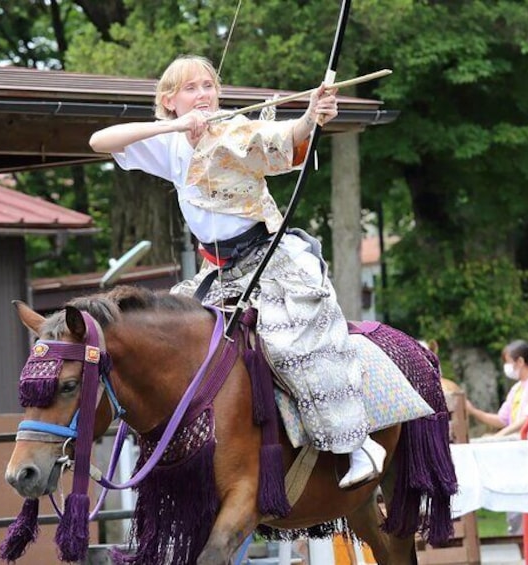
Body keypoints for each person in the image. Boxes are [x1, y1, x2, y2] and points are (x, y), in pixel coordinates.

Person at [89, 54, 384, 489]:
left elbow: (287, 136)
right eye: (191, 89)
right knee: (172, 345)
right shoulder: (168, 141)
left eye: (209, 86)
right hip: (216, 270)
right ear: (169, 100)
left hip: (268, 258)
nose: (204, 95)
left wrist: (310, 117)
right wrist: (172, 127)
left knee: (293, 341)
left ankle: (356, 443)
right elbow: (101, 140)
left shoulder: (235, 129)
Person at [466, 339, 528, 535]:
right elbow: (503, 420)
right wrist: (473, 411)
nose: (507, 367)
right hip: (519, 453)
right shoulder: (517, 389)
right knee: (514, 511)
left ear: (520, 361)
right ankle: (521, 554)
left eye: (508, 361)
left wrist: (499, 437)